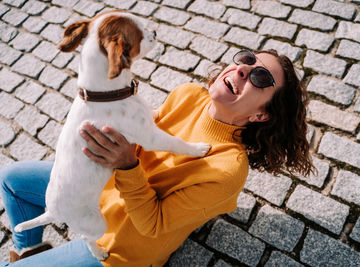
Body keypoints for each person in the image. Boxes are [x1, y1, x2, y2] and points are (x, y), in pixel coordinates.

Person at [0, 49, 314, 266]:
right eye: (247, 59)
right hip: (99, 189)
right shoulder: (189, 94)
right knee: (12, 179)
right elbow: (145, 131)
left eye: (260, 78)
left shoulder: (227, 170)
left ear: (261, 114)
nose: (243, 69)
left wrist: (126, 164)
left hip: (122, 248)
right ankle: (31, 250)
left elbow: (154, 224)